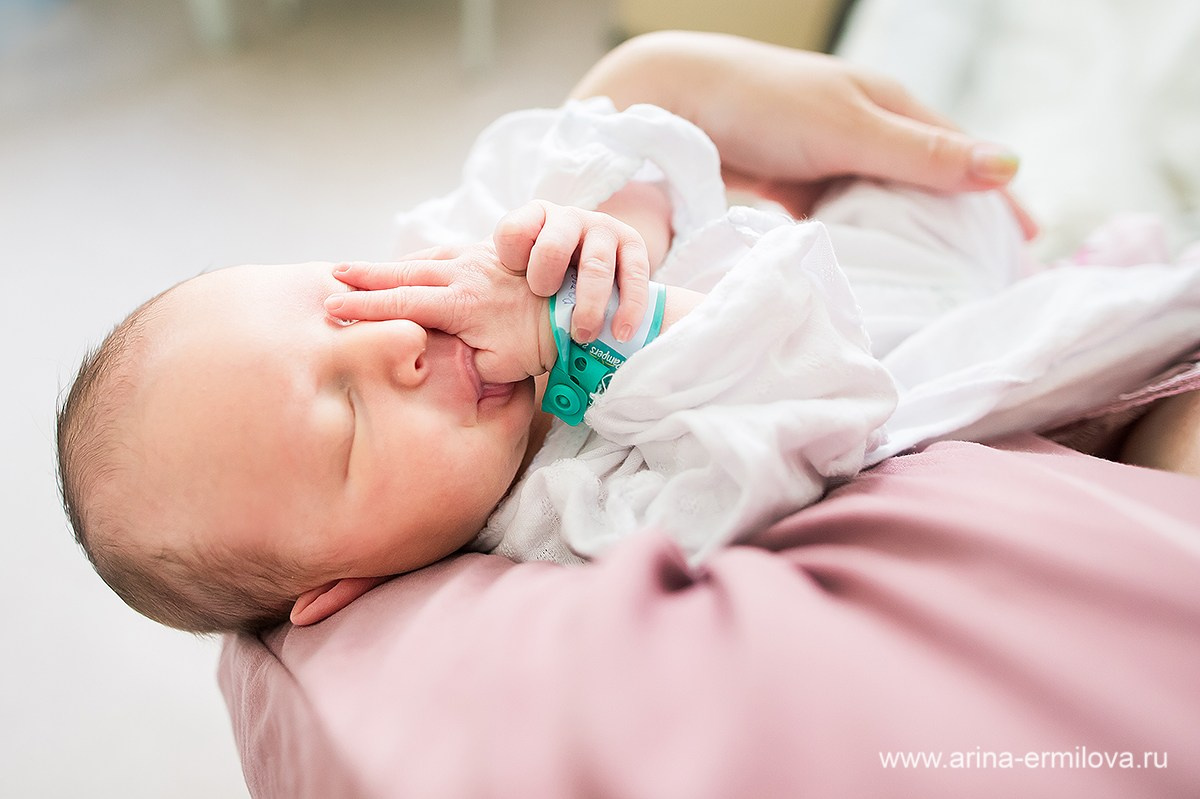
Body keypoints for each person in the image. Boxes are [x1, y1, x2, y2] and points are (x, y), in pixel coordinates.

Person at [55, 33, 1197, 636]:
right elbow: (814, 401)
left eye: (336, 299)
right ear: (340, 588)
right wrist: (590, 337)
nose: (396, 340)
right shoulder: (566, 526)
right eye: (347, 417)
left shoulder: (459, 253)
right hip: (931, 315)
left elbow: (610, 133)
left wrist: (603, 222)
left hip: (879, 205)